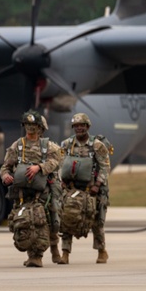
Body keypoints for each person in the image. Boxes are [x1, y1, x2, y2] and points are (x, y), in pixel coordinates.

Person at [0, 111, 61, 267]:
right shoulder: (17, 146)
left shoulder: (49, 146)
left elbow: (56, 162)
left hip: (42, 192)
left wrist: (39, 167)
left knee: (48, 218)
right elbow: (5, 166)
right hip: (22, 192)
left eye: (33, 126)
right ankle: (32, 253)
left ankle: (49, 248)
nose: (30, 128)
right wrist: (5, 176)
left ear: (40, 128)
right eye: (27, 125)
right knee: (24, 221)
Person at [57, 113, 111, 264]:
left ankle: (101, 251)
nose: (79, 128)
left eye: (82, 125)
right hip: (72, 189)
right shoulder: (66, 145)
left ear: (87, 127)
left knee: (97, 221)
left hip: (92, 189)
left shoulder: (97, 145)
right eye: (76, 126)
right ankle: (65, 253)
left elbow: (105, 167)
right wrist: (61, 181)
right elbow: (60, 165)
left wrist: (97, 185)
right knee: (66, 218)